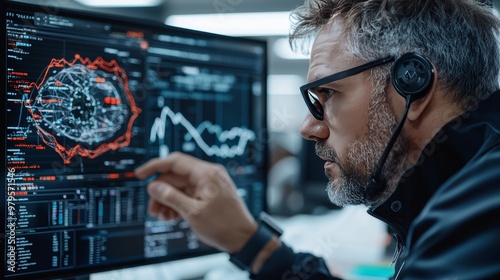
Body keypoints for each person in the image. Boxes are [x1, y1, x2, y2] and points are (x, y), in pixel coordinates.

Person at [134, 0, 500, 279]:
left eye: (327, 93)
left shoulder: (481, 214)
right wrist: (252, 244)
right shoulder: (460, 196)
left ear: (412, 84)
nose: (308, 128)